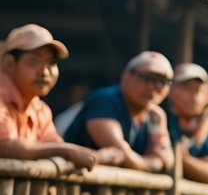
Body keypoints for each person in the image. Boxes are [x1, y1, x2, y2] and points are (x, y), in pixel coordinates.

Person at [0, 24, 100, 169]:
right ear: (9, 64)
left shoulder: (40, 110)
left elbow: (53, 145)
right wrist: (67, 152)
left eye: (51, 63)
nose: (45, 72)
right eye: (34, 61)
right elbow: (5, 145)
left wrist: (97, 155)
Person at [65, 51, 175, 173]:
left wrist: (147, 163)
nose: (151, 87)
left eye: (161, 81)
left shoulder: (156, 116)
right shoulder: (105, 100)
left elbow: (166, 160)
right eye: (145, 78)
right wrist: (148, 164)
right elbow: (119, 152)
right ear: (126, 76)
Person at [163, 62, 208, 183]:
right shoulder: (161, 116)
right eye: (187, 88)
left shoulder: (202, 125)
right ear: (170, 89)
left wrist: (184, 157)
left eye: (199, 90)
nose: (194, 96)